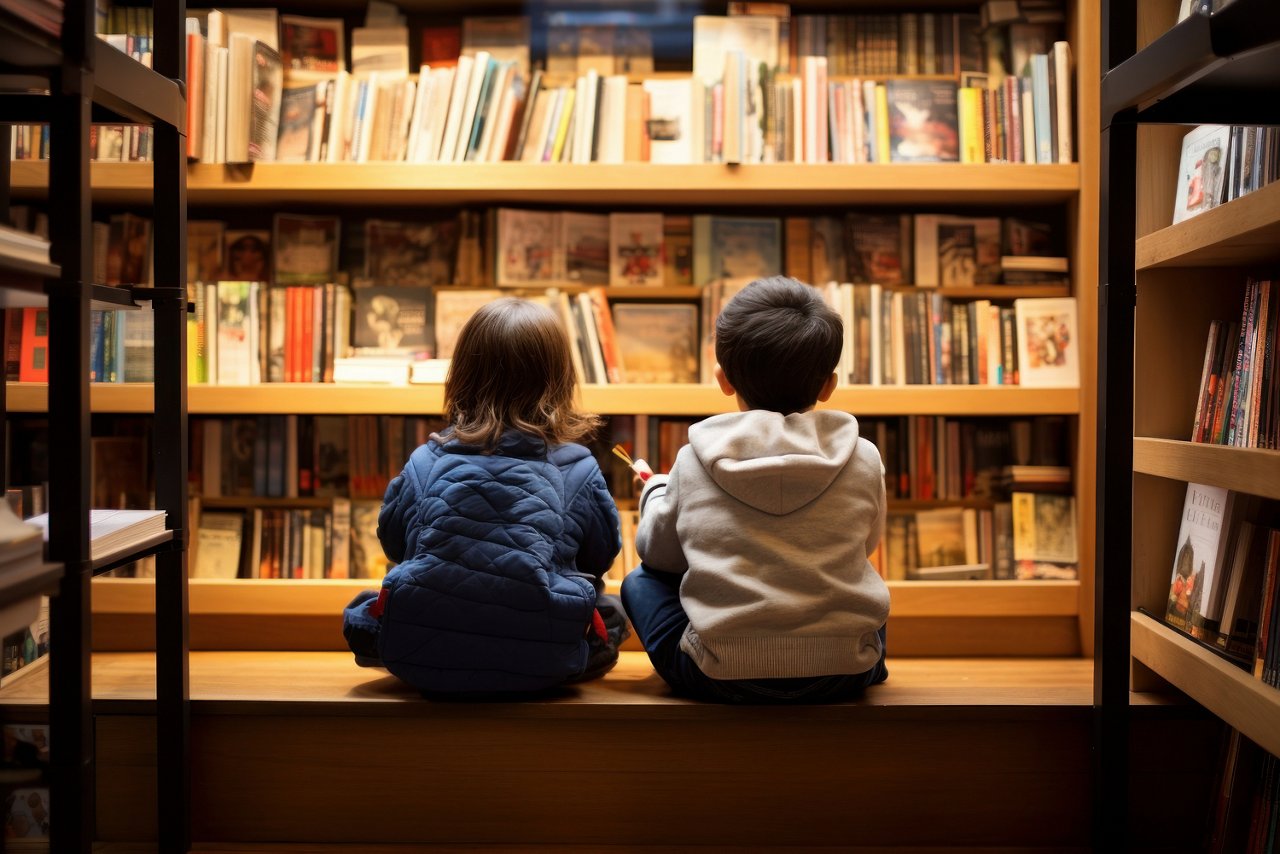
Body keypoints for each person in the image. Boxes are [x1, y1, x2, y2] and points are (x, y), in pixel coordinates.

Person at [621, 276, 890, 703]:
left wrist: (656, 494)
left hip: (718, 673)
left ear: (723, 378)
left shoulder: (694, 461)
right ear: (828, 386)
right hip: (848, 669)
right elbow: (867, 544)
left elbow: (660, 555)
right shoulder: (865, 457)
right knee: (857, 574)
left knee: (640, 581)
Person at [342, 298, 628, 694]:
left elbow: (393, 543)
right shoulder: (577, 467)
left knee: (369, 606)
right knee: (612, 614)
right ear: (560, 381)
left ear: (461, 376)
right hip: (545, 661)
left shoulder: (425, 461)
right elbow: (601, 556)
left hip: (422, 658)